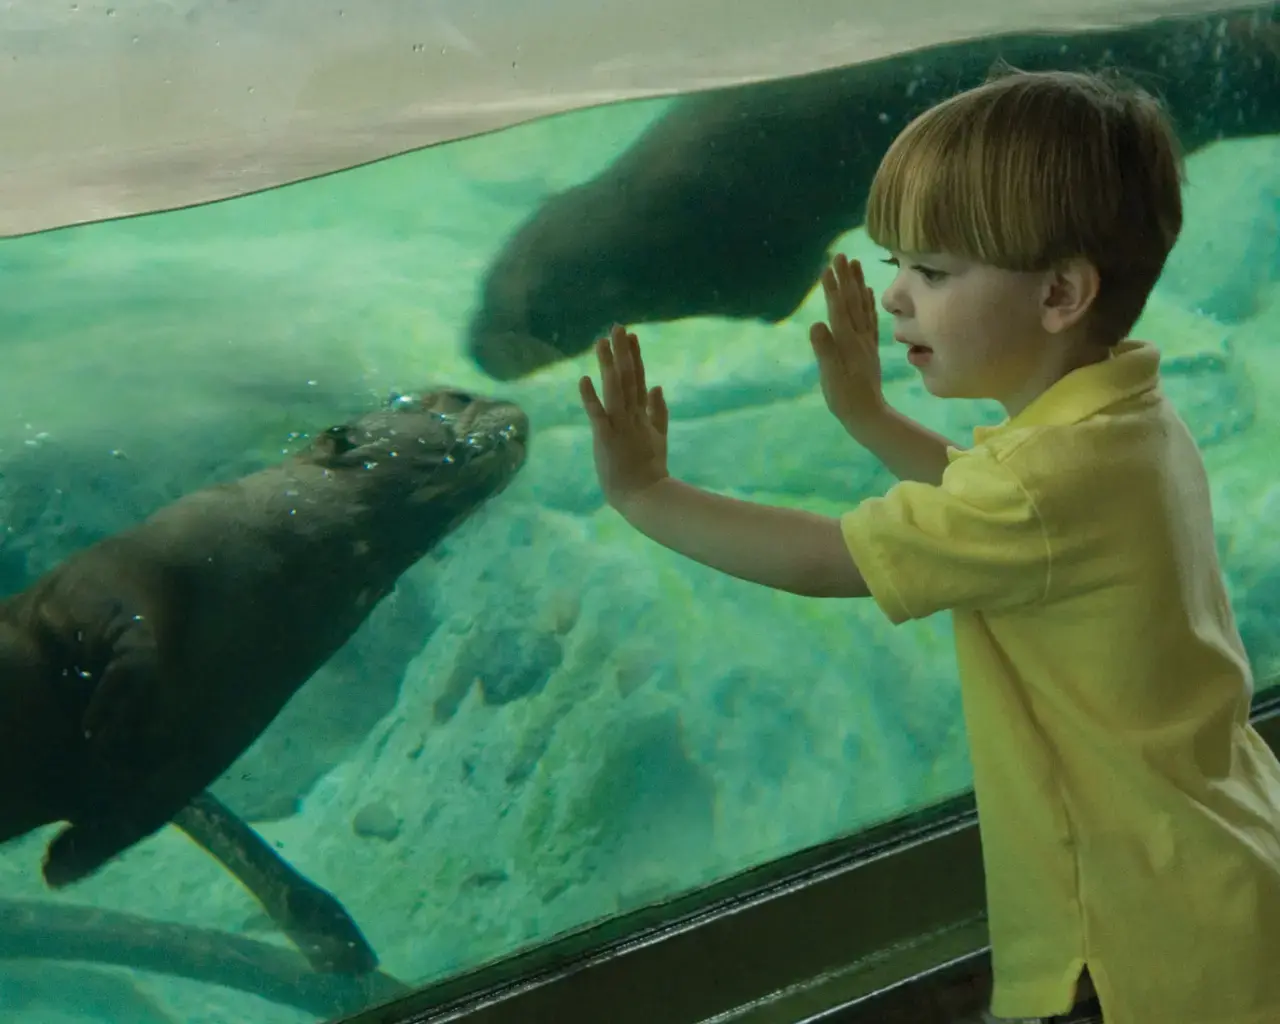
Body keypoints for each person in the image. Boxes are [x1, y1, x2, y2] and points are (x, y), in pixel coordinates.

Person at [577, 67, 1280, 1024]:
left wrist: (646, 492)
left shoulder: (1041, 484)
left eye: (934, 272)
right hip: (1213, 851)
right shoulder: (1123, 417)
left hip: (1127, 934)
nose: (897, 297)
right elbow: (993, 501)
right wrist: (868, 416)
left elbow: (832, 558)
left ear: (1061, 292)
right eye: (897, 263)